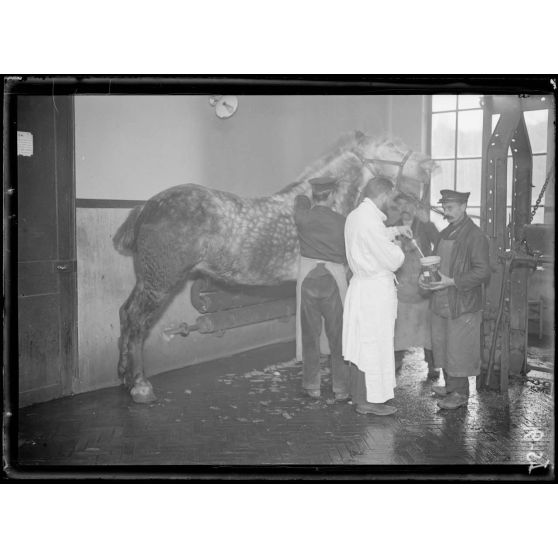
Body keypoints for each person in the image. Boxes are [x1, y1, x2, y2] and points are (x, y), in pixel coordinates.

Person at [342, 176, 412, 415]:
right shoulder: (370, 222)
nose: (390, 203)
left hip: (363, 287)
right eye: (390, 198)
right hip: (374, 294)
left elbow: (373, 239)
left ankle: (361, 396)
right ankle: (368, 401)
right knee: (373, 345)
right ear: (383, 195)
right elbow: (391, 259)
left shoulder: (356, 216)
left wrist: (395, 231)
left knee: (363, 344)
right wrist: (400, 248)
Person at [419, 189, 491, 410]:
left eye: (450, 208)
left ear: (463, 207)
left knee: (459, 349)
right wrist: (424, 278)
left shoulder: (475, 236)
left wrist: (451, 281)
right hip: (442, 300)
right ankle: (450, 386)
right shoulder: (445, 232)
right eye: (444, 208)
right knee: (443, 344)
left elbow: (483, 272)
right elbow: (433, 262)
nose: (446, 212)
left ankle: (459, 394)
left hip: (462, 302)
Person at [294, 176, 350, 401]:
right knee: (338, 336)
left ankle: (312, 386)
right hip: (333, 280)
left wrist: (305, 198)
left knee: (310, 335)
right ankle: (341, 388)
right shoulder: (342, 221)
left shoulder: (302, 216)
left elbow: (299, 200)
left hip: (308, 279)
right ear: (333, 195)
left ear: (314, 194)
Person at [392, 193, 439, 377]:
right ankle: (396, 360)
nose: (404, 209)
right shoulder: (392, 227)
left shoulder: (425, 227)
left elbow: (440, 243)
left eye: (408, 204)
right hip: (400, 287)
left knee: (427, 328)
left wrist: (427, 223)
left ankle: (432, 365)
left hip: (422, 287)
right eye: (400, 205)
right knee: (398, 327)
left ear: (415, 207)